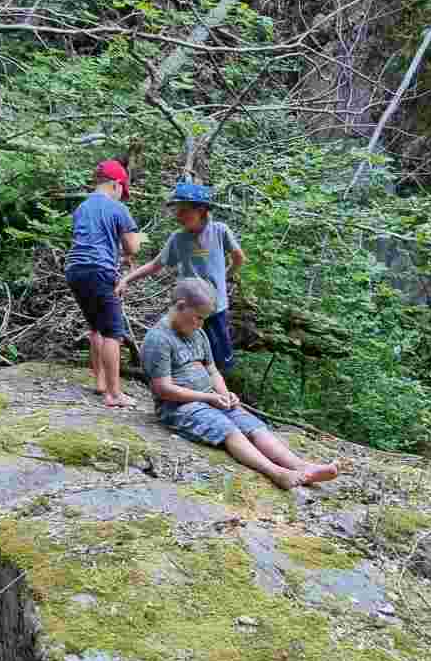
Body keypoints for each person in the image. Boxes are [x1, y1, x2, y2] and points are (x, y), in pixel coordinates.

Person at [139, 280, 339, 491]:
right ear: (181, 306)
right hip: (178, 407)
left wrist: (225, 395)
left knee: (252, 425)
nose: (201, 324)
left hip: (209, 397)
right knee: (227, 428)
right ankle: (277, 473)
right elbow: (163, 389)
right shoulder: (159, 339)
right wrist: (208, 398)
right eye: (198, 317)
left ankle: (302, 467)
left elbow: (212, 370)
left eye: (204, 319)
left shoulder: (198, 334)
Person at [120, 179, 244, 373]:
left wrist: (225, 276)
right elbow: (155, 265)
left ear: (201, 210)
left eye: (183, 210)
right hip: (187, 310)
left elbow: (239, 257)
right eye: (177, 210)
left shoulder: (219, 231)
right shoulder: (178, 238)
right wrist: (126, 279)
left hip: (214, 309)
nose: (178, 216)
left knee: (219, 360)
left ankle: (218, 389)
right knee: (188, 354)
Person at [65, 158, 141, 408]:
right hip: (99, 270)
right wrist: (128, 246)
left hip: (75, 270)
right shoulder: (117, 208)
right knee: (112, 333)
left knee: (96, 327)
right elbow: (133, 246)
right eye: (122, 191)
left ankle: (100, 383)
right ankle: (114, 394)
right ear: (116, 185)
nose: (121, 196)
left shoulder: (81, 208)